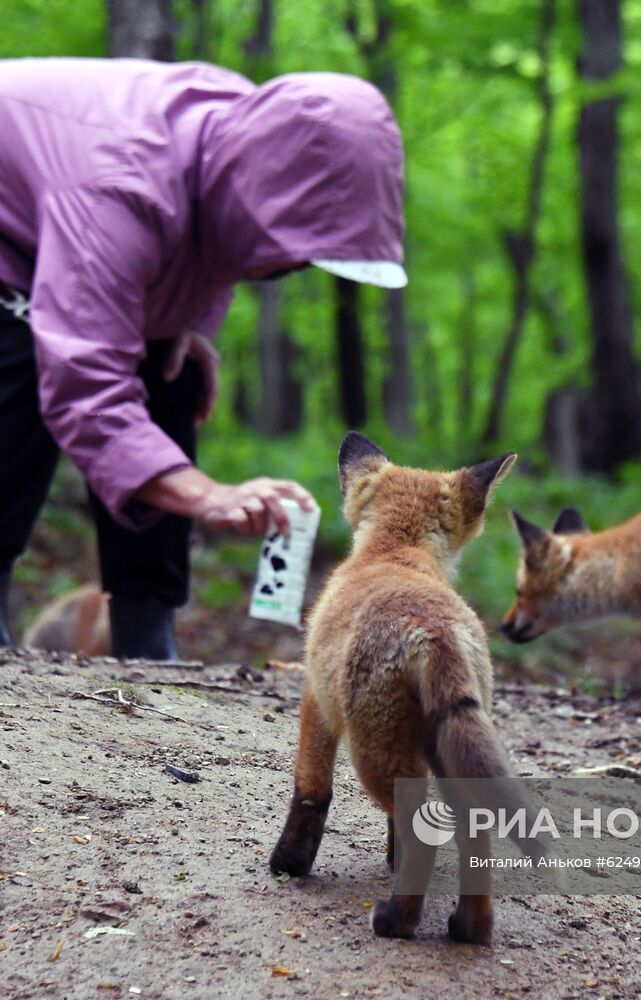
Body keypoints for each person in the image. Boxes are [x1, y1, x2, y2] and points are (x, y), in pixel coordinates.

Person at [0, 57, 407, 659]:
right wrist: (209, 495)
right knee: (20, 358)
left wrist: (183, 325)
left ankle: (146, 632)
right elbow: (83, 388)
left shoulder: (252, 137)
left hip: (70, 229)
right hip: (19, 243)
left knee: (172, 367)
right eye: (292, 255)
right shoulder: (118, 189)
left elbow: (205, 241)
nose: (290, 269)